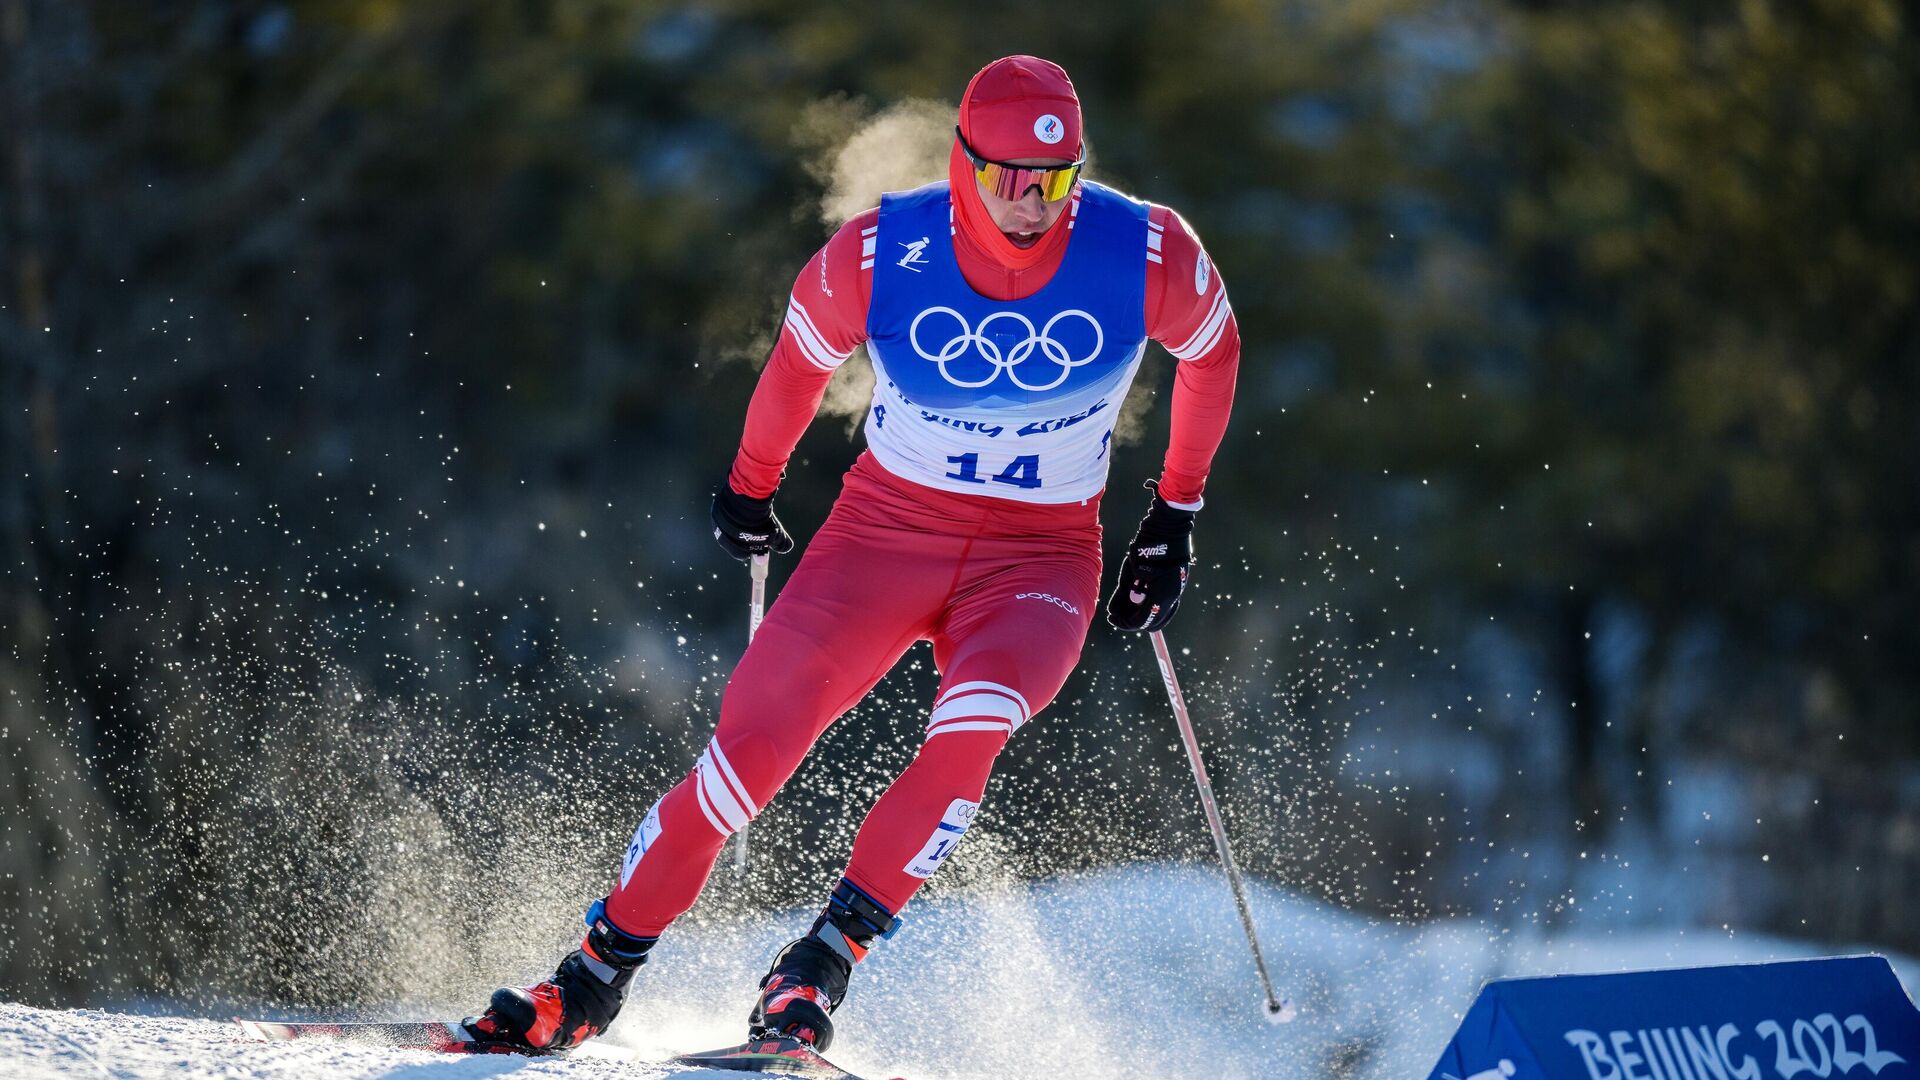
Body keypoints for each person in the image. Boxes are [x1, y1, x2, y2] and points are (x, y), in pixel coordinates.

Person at [465, 54, 1241, 1054]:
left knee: (972, 729)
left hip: (1038, 561)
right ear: (966, 164)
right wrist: (750, 485)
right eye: (1008, 179)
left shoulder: (1147, 251)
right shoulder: (880, 252)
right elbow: (797, 367)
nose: (1031, 204)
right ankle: (591, 980)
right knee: (744, 760)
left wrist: (1174, 516)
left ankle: (815, 970)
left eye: (1053, 182)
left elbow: (1212, 356)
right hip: (881, 539)